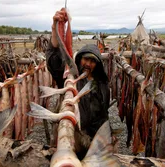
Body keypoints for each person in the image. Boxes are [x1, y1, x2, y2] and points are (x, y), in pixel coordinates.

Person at [46, 8, 110, 159]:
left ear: (98, 64)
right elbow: (54, 62)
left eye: (93, 61)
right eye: (85, 59)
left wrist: (105, 136)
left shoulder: (102, 85)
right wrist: (55, 27)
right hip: (71, 137)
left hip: (93, 139)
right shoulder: (70, 78)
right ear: (80, 59)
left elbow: (104, 113)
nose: (88, 64)